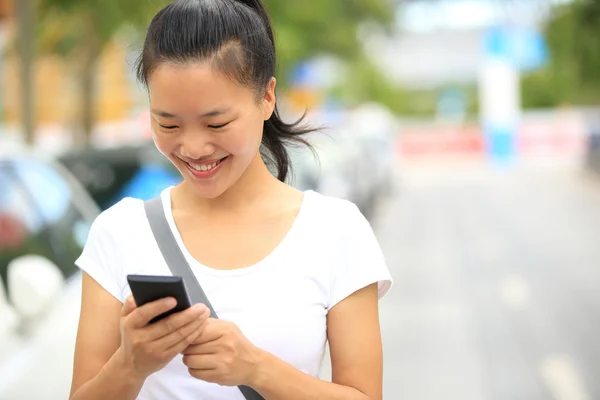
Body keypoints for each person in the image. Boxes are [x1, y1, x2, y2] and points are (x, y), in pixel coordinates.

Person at [69, 0, 393, 399]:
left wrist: (255, 367)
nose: (192, 146)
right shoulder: (119, 232)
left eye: (216, 123)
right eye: (166, 123)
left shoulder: (336, 230)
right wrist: (130, 365)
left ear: (267, 97)